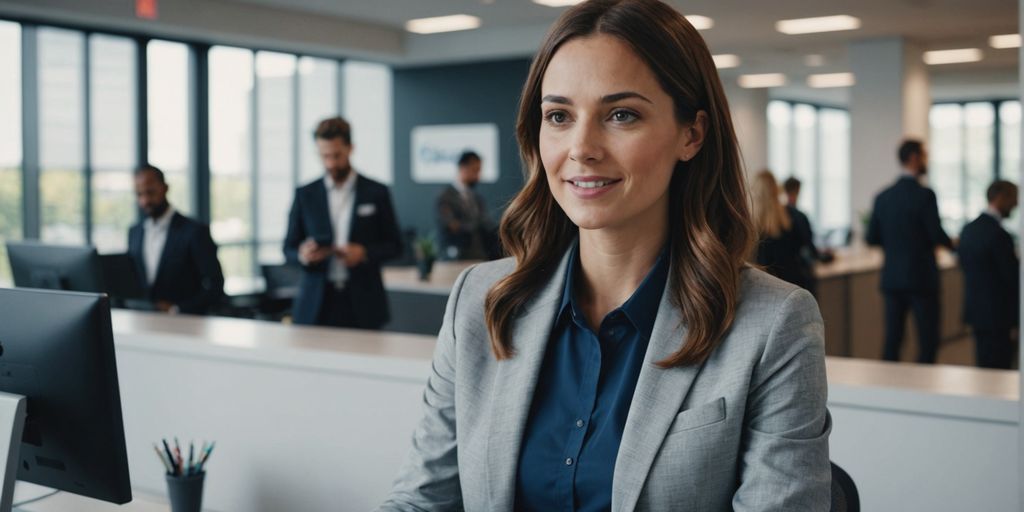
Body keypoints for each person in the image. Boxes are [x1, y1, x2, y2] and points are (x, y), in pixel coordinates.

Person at [379, 1, 831, 510]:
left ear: (692, 134)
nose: (582, 147)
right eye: (559, 116)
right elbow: (422, 499)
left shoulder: (773, 325)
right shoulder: (478, 302)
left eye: (621, 115)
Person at [283, 116, 402, 328]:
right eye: (324, 156)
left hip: (364, 303)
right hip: (315, 304)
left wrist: (364, 253)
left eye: (336, 155)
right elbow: (288, 248)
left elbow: (396, 246)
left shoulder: (376, 192)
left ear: (350, 148)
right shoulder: (305, 194)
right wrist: (303, 254)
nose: (331, 163)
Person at [866, 139, 954, 363]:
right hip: (922, 277)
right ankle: (924, 391)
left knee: (893, 339)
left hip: (893, 278)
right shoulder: (925, 195)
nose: (926, 161)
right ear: (914, 157)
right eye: (924, 155)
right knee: (927, 340)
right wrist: (955, 245)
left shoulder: (882, 197)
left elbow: (871, 237)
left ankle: (888, 390)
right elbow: (936, 234)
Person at [127, 165, 224, 314]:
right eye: (139, 194)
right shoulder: (134, 232)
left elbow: (215, 285)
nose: (145, 201)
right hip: (143, 322)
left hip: (186, 325)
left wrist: (176, 309)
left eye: (150, 192)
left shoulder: (194, 231)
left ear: (165, 188)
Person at [958, 180, 1019, 369]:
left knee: (983, 366)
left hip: (976, 311)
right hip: (999, 315)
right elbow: (1011, 279)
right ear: (1000, 198)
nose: (1016, 204)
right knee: (1000, 368)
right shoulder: (1000, 236)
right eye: (1013, 198)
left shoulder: (967, 230)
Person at [751, 171, 816, 293]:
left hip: (764, 290)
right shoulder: (794, 217)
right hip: (793, 286)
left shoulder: (749, 228)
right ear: (777, 189)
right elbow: (807, 248)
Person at [436, 151, 498, 260]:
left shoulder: (477, 198)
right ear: (462, 168)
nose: (478, 176)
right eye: (475, 170)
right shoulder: (445, 198)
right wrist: (476, 225)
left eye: (479, 171)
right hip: (456, 259)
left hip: (479, 257)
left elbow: (486, 223)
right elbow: (453, 226)